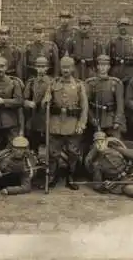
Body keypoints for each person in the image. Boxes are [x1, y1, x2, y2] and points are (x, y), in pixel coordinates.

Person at [41, 56, 89, 190]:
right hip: (56, 123)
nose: (66, 70)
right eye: (63, 67)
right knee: (53, 153)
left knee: (73, 152)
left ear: (73, 68)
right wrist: (46, 101)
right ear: (60, 68)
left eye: (68, 67)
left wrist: (82, 124)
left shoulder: (79, 85)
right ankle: (52, 177)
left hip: (72, 123)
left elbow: (84, 107)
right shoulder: (53, 84)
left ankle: (71, 176)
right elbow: (44, 103)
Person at [0, 57, 24, 152]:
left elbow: (19, 101)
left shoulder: (14, 83)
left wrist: (3, 101)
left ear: (6, 67)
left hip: (11, 121)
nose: (0, 69)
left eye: (2, 66)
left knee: (15, 148)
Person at [84, 54, 125, 139]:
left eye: (105, 65)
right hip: (96, 118)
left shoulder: (115, 83)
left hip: (111, 119)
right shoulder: (90, 83)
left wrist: (117, 120)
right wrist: (92, 119)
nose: (103, 68)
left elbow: (120, 105)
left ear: (109, 67)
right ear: (97, 67)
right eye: (100, 65)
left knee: (115, 144)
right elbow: (86, 104)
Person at [23, 56, 53, 156]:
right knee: (33, 145)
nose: (41, 69)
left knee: (50, 145)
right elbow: (24, 100)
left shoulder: (53, 82)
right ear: (35, 68)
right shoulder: (31, 82)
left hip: (48, 118)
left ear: (47, 68)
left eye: (43, 66)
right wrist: (28, 103)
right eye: (39, 66)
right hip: (34, 117)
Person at [105, 17, 133, 85]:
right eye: (121, 25)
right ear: (118, 27)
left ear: (129, 27)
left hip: (130, 72)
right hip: (115, 72)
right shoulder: (111, 41)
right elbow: (107, 58)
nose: (123, 27)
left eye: (126, 25)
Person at [64, 15, 103, 80]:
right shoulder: (72, 40)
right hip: (76, 70)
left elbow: (98, 59)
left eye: (87, 24)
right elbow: (67, 57)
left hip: (89, 70)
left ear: (90, 26)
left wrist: (96, 72)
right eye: (82, 24)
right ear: (79, 25)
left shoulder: (95, 42)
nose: (84, 27)